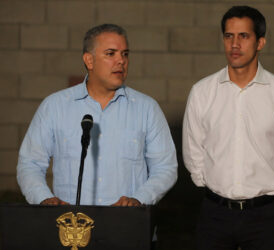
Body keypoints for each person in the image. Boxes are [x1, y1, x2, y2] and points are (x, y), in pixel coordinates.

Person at [182, 6, 274, 250]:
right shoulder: (202, 92)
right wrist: (205, 180)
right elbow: (193, 148)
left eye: (244, 36)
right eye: (229, 36)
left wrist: (273, 184)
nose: (235, 44)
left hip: (264, 217)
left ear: (260, 42)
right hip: (214, 214)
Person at [17, 24, 178, 207]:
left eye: (125, 54)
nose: (121, 61)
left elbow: (165, 168)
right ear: (89, 60)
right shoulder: (55, 107)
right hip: (71, 229)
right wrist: (44, 199)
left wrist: (139, 199)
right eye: (111, 54)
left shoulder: (147, 109)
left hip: (128, 227)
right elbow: (30, 164)